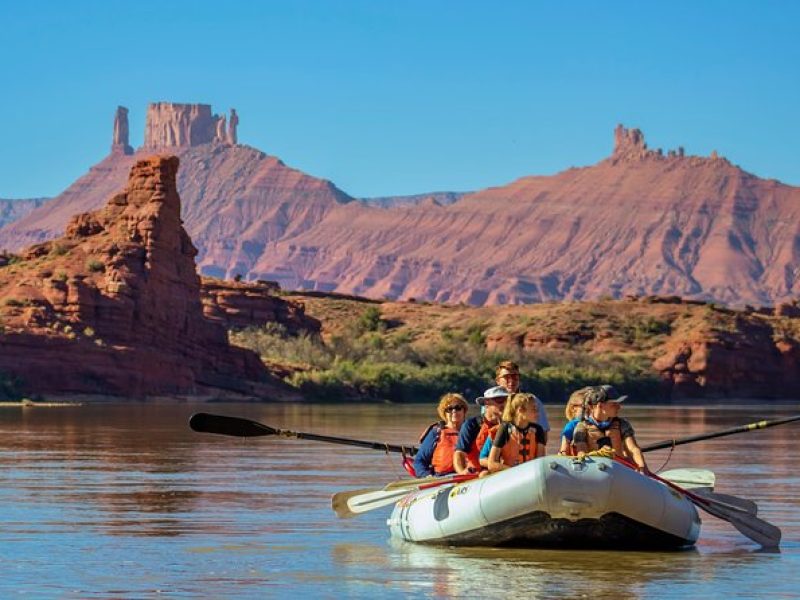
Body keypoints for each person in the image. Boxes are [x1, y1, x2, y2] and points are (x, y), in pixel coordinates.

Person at [570, 385, 649, 473]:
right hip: (594, 472)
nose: (619, 407)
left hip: (618, 470)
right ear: (600, 405)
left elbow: (633, 449)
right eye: (614, 404)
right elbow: (581, 452)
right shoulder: (581, 427)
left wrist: (642, 467)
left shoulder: (622, 424)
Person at [452, 386, 508, 474]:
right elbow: (459, 453)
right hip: (477, 474)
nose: (504, 404)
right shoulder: (471, 425)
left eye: (507, 400)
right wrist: (462, 472)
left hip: (502, 471)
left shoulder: (511, 425)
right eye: (499, 400)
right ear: (487, 403)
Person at [487, 393, 547, 472]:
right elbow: (491, 464)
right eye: (534, 409)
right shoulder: (504, 428)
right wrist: (516, 472)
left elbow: (540, 461)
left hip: (531, 475)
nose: (537, 413)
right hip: (510, 476)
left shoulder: (538, 430)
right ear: (520, 410)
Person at [413, 393, 469, 477]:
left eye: (458, 408)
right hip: (442, 477)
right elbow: (419, 461)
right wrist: (426, 475)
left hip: (469, 475)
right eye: (449, 409)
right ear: (444, 413)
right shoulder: (436, 432)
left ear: (464, 410)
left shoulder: (473, 430)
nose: (454, 411)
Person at [494, 360, 550, 442]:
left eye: (515, 377)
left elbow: (543, 432)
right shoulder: (490, 402)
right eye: (506, 377)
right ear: (498, 381)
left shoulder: (532, 401)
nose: (511, 380)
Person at [558, 386, 593, 455]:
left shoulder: (600, 424)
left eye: (592, 405)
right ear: (573, 408)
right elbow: (564, 449)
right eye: (584, 406)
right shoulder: (571, 425)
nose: (589, 408)